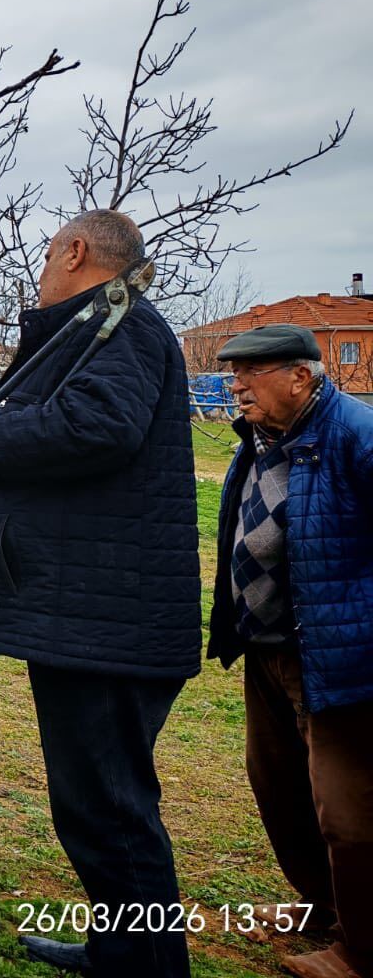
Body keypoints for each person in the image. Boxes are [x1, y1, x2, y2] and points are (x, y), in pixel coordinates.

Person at [0, 209, 199, 977]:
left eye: (45, 255)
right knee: (93, 805)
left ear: (75, 251)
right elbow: (29, 418)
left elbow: (92, 428)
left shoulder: (126, 329)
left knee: (112, 811)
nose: (38, 272)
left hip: (108, 621)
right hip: (90, 612)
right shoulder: (96, 329)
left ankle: (145, 968)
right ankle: (120, 950)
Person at [207, 324, 373, 978]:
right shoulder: (263, 439)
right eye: (233, 374)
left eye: (252, 373)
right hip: (268, 648)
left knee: (349, 810)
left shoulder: (355, 435)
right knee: (279, 787)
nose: (236, 386)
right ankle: (323, 907)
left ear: (301, 376)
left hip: (339, 657)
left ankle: (362, 951)